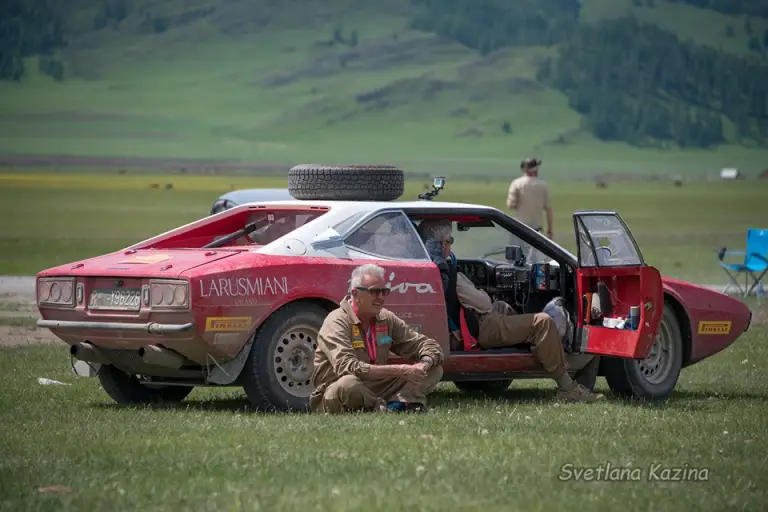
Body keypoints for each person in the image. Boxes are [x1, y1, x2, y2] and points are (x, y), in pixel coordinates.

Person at [417, 218, 604, 403]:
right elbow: (484, 304)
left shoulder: (429, 269)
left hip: (469, 324)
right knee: (543, 322)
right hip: (481, 327)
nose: (451, 245)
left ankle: (544, 354)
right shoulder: (449, 274)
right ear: (443, 244)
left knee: (504, 308)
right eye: (451, 240)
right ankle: (567, 387)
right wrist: (483, 292)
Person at [310, 263, 445, 414]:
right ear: (355, 294)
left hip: (377, 385)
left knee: (434, 370)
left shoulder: (386, 318)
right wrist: (399, 370)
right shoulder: (336, 321)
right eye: (374, 292)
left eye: (384, 291)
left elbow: (426, 345)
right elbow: (347, 367)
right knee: (348, 384)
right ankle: (386, 406)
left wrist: (424, 364)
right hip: (338, 389)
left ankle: (396, 405)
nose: (381, 297)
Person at [507, 157, 553, 238]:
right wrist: (549, 229)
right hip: (536, 229)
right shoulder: (543, 185)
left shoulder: (516, 183)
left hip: (520, 227)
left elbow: (510, 205)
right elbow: (549, 209)